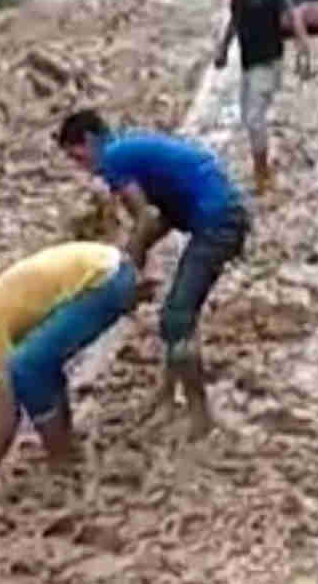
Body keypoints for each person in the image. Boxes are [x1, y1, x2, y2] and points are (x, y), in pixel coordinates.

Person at [56, 109, 248, 439]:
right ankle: (167, 394)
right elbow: (165, 217)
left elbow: (143, 219)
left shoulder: (114, 159)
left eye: (78, 157)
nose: (82, 167)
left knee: (176, 318)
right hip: (223, 214)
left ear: (89, 141)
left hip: (219, 223)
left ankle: (200, 416)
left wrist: (128, 267)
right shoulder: (129, 148)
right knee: (178, 315)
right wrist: (129, 257)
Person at [0, 241, 141, 502]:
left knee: (27, 369)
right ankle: (64, 448)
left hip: (106, 284)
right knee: (37, 362)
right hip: (112, 270)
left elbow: (8, 404)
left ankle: (61, 464)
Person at [209, 0, 314, 196]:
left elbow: (293, 14)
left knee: (254, 118)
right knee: (248, 117)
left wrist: (304, 51)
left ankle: (263, 176)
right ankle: (263, 164)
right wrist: (223, 48)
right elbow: (235, 21)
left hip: (268, 62)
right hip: (249, 63)